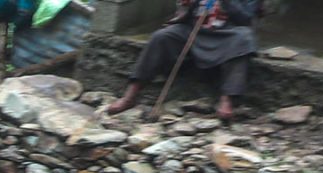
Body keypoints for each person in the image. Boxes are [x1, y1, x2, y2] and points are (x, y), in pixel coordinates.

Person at [102, 0, 258, 120]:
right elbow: (184, 11)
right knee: (161, 37)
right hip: (193, 30)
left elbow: (246, 18)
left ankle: (227, 101)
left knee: (244, 39)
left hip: (227, 34)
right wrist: (185, 8)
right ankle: (130, 96)